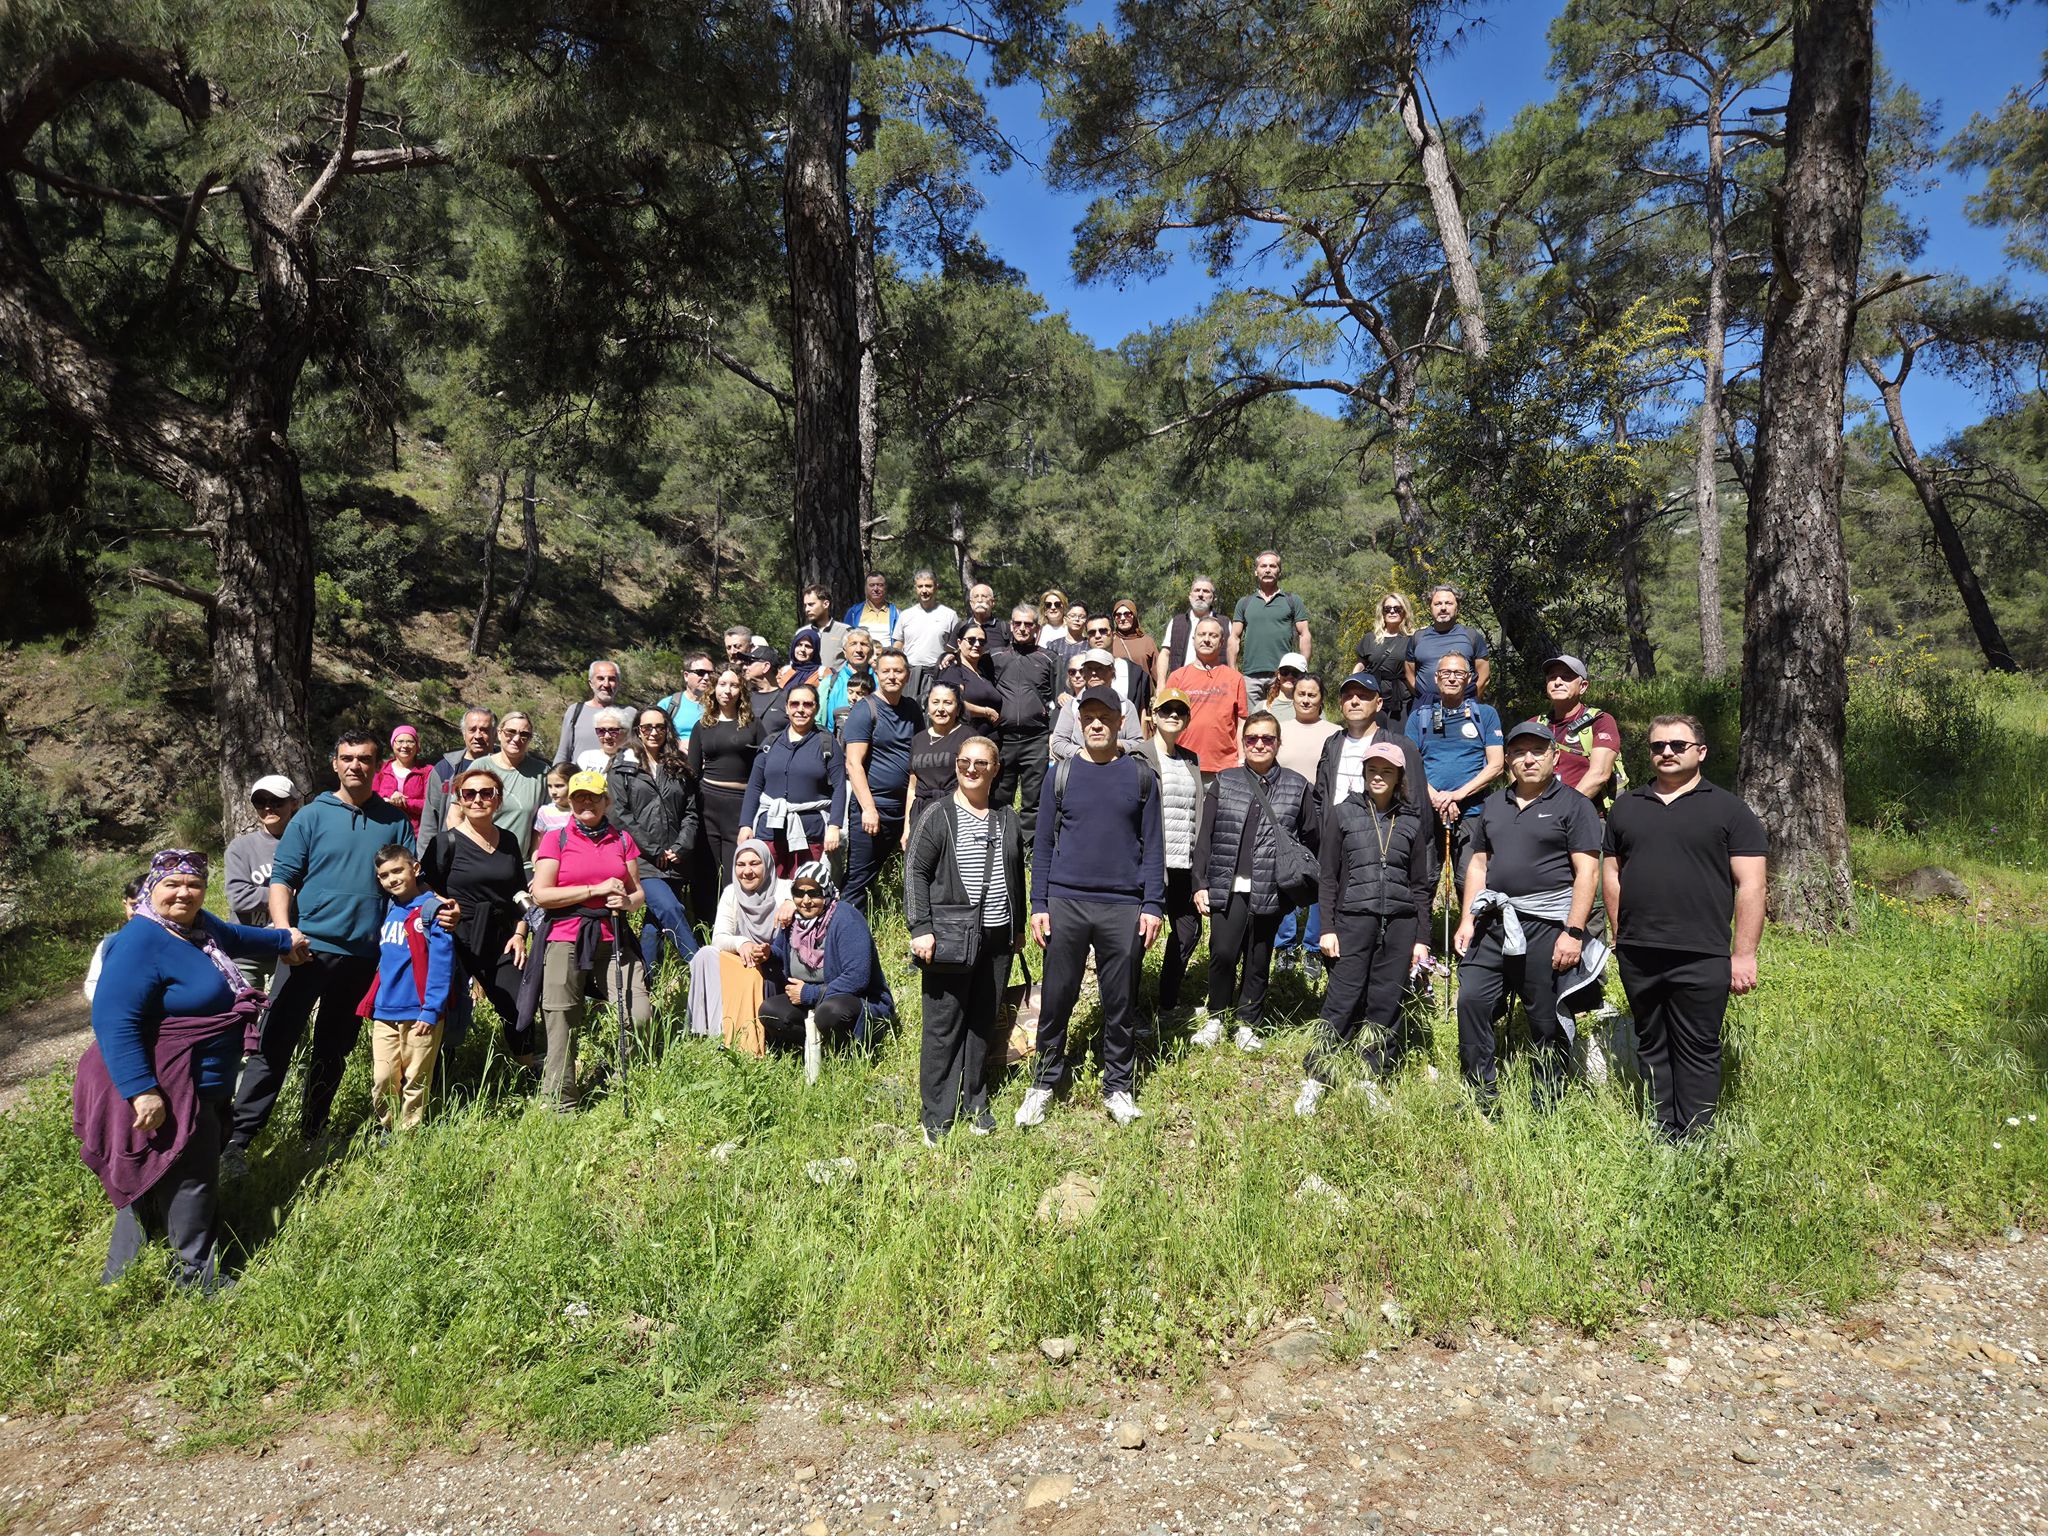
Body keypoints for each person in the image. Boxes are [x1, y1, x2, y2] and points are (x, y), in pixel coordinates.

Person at [76, 850, 307, 1291]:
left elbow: (238, 937)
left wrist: (285, 941)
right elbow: (113, 1019)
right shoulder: (140, 941)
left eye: (194, 884)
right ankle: (198, 1280)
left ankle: (121, 1273)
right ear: (151, 889)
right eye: (172, 884)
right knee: (193, 1179)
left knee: (154, 1172)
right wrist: (142, 1091)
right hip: (168, 1082)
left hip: (196, 1077)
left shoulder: (198, 928)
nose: (184, 892)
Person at [228, 733, 415, 1165]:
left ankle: (314, 1130)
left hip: (363, 956)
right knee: (273, 1044)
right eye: (347, 758)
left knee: (333, 1050)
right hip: (307, 950)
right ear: (334, 763)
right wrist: (284, 934)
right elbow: (282, 879)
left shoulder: (394, 821)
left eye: (364, 759)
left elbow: (404, 886)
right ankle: (237, 1142)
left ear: (377, 765)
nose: (355, 766)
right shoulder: (311, 816)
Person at [1603, 714, 1767, 1140]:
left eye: (1678, 745)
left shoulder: (1730, 810)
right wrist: (1620, 935)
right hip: (1639, 951)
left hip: (1702, 952)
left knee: (1697, 1046)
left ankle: (1695, 1139)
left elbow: (1752, 885)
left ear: (1701, 752)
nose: (1667, 752)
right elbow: (1612, 875)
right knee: (1651, 1040)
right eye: (1658, 746)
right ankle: (1662, 1132)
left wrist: (1744, 954)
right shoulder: (1627, 807)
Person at [1019, 686, 1166, 1130]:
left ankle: (1118, 1085)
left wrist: (1153, 904)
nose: (1097, 724)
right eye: (1089, 717)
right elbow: (1043, 846)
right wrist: (1039, 903)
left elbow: (1153, 846)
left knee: (1120, 1002)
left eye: (1105, 716)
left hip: (1123, 905)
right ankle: (1043, 1082)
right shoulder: (1060, 776)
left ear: (1121, 721)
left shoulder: (1141, 776)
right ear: (1079, 723)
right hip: (1066, 901)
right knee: (1057, 997)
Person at [1452, 721, 1604, 1112]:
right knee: (1472, 1000)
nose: (1529, 759)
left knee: (1545, 1014)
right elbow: (1478, 865)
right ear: (1508, 761)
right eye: (1519, 752)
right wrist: (1468, 920)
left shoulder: (1575, 805)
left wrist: (1573, 931)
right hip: (1493, 923)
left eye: (1537, 751)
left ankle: (1547, 1102)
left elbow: (1587, 872)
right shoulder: (1493, 805)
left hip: (1547, 925)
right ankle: (1481, 1095)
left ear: (1555, 756)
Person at [1295, 742, 1434, 1115]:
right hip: (1353, 920)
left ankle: (1369, 1077)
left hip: (1400, 924)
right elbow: (1328, 876)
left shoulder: (1412, 821)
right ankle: (1317, 1077)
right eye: (1373, 769)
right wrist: (1327, 927)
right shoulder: (1342, 814)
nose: (1378, 776)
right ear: (1364, 772)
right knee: (1342, 999)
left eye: (1387, 771)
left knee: (1385, 1003)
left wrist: (1422, 938)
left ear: (1399, 777)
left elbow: (1420, 886)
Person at [905, 734, 1025, 1142]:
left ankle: (976, 1101)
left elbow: (1015, 875)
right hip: (949, 940)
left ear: (995, 769)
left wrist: (1018, 928)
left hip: (996, 939)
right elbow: (915, 872)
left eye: (980, 763)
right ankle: (936, 1115)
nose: (971, 770)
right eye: (964, 762)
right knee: (943, 1028)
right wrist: (920, 928)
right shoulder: (937, 815)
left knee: (981, 1023)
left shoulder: (1006, 817)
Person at [1188, 709, 1315, 1052]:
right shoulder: (1225, 781)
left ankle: (1248, 1022)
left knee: (1258, 959)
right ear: (1243, 743)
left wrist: (1293, 882)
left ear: (1278, 743)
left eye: (1267, 738)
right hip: (1227, 885)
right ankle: (1216, 1017)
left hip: (1271, 888)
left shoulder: (1297, 786)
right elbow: (1205, 836)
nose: (1259, 744)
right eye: (1252, 738)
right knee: (1222, 953)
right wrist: (1200, 883)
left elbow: (1311, 838)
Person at [529, 770, 652, 1108]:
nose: (586, 802)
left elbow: (637, 892)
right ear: (569, 801)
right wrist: (594, 890)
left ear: (605, 801)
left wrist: (627, 902)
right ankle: (561, 1100)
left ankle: (615, 1077)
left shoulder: (622, 840)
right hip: (566, 935)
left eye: (593, 797)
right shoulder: (555, 839)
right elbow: (541, 894)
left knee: (638, 1013)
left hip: (612, 936)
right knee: (561, 1017)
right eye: (579, 797)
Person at [421, 765, 533, 1061]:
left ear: (498, 799)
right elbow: (422, 887)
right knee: (450, 1012)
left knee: (520, 1004)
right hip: (455, 938)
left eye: (486, 793)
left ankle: (527, 1068)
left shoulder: (508, 841)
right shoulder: (445, 842)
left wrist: (520, 934)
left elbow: (519, 892)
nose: (477, 799)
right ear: (459, 799)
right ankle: (441, 1075)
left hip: (501, 937)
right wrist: (442, 905)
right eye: (469, 794)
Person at [762, 860, 895, 1080]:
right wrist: (767, 953)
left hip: (852, 999)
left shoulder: (846, 919)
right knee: (769, 1010)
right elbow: (781, 952)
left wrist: (810, 994)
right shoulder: (794, 921)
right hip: (806, 1000)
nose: (805, 901)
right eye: (799, 893)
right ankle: (816, 1047)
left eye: (813, 893)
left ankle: (847, 1055)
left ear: (826, 892)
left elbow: (857, 977)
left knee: (830, 1012)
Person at [365, 845, 457, 1133]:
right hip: (385, 1010)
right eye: (384, 875)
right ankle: (387, 1127)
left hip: (421, 1012)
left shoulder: (433, 910)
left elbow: (442, 964)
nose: (392, 879)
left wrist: (432, 1009)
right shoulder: (389, 908)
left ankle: (409, 1133)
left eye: (397, 871)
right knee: (383, 1077)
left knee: (416, 1078)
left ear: (415, 869)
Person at [608, 709, 702, 971]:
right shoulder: (622, 767)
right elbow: (620, 815)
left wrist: (681, 846)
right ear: (637, 731)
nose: (653, 732)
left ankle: (649, 984)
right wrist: (654, 850)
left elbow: (691, 812)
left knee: (655, 924)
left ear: (667, 730)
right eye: (646, 727)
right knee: (671, 909)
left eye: (659, 727)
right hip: (641, 860)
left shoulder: (678, 766)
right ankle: (699, 965)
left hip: (674, 859)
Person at [1406, 655, 1503, 896]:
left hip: (1472, 812)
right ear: (1436, 678)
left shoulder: (1486, 715)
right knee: (1424, 880)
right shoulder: (1419, 717)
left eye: (1459, 673)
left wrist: (1456, 795)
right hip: (1429, 811)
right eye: (1446, 673)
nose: (1452, 678)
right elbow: (1409, 765)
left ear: (1469, 678)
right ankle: (1421, 924)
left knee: (1469, 880)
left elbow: (1496, 765)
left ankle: (1470, 922)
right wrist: (1437, 798)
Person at [841, 648, 925, 912]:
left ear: (907, 675)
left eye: (897, 671)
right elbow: (853, 763)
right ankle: (844, 927)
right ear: (876, 674)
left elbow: (918, 756)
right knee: (858, 878)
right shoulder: (865, 710)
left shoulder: (912, 709)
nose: (892, 676)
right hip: (873, 808)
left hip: (904, 808)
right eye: (886, 671)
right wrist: (868, 809)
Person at [684, 837, 788, 1045]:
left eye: (754, 863)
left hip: (775, 963)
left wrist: (791, 903)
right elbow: (719, 938)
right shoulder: (732, 893)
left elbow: (820, 889)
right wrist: (742, 943)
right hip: (743, 960)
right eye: (741, 864)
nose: (747, 871)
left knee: (752, 974)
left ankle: (745, 1038)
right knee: (705, 954)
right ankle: (712, 1032)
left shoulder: (785, 889)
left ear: (767, 864)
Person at [1141, 689, 1207, 1014]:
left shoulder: (1190, 759)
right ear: (1154, 715)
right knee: (1139, 937)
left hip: (1184, 863)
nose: (1173, 715)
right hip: (1151, 864)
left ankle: (1167, 1003)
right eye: (1166, 709)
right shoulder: (1138, 756)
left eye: (1180, 711)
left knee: (1188, 929)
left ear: (1187, 719)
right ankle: (1127, 1009)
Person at [739, 680, 845, 877]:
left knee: (806, 888)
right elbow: (754, 786)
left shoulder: (827, 744)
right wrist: (745, 824)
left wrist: (834, 826)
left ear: (816, 708)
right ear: (786, 708)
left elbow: (840, 787)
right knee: (768, 886)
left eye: (807, 704)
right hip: (770, 831)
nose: (800, 709)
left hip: (810, 833)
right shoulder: (771, 743)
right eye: (795, 704)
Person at [1274, 673, 1340, 973]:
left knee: (1320, 874)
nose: (1306, 699)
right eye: (1301, 693)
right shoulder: (1280, 730)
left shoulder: (1335, 733)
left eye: (1312, 694)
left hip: (1323, 812)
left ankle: (1313, 945)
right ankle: (1284, 945)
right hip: (1285, 810)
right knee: (1285, 873)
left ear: (1321, 698)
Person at [689, 665, 763, 904]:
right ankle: (705, 921)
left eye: (734, 685)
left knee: (737, 869)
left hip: (740, 805)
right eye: (722, 684)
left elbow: (763, 768)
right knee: (706, 869)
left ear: (742, 690)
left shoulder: (753, 725)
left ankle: (735, 918)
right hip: (708, 802)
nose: (727, 691)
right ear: (713, 688)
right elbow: (692, 771)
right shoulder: (702, 725)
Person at [224, 774, 300, 990]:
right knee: (244, 1008)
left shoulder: (307, 845)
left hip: (290, 948)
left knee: (285, 1010)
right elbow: (238, 898)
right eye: (260, 802)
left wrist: (262, 895)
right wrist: (286, 893)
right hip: (246, 949)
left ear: (294, 803)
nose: (268, 808)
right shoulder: (240, 848)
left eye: (277, 801)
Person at [991, 605, 1057, 850]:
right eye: (1017, 623)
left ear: (1037, 628)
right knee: (1000, 796)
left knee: (1034, 798)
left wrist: (1052, 732)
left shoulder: (1049, 658)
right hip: (1004, 738)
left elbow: (1059, 697)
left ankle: (1029, 850)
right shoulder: (995, 657)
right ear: (1011, 625)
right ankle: (1000, 846)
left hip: (1036, 739)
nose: (1022, 628)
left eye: (1028, 624)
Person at [1165, 616, 1248, 776]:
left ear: (1222, 642)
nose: (1207, 639)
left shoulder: (1235, 678)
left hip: (1225, 767)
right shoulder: (1177, 677)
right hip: (1184, 764)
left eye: (1213, 635)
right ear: (1194, 639)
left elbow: (1241, 723)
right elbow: (1166, 722)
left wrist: (1242, 759)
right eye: (1202, 634)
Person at [1540, 654, 1625, 810]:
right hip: (1539, 812)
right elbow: (1516, 768)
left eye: (1566, 677)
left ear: (1583, 686)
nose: (1557, 682)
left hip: (1588, 813)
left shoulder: (1601, 721)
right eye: (1552, 677)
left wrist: (1561, 811)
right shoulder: (1534, 724)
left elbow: (1599, 774)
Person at [1230, 551, 1312, 709]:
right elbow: (1234, 638)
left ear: (1279, 571)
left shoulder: (1292, 601)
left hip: (1283, 675)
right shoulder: (1244, 603)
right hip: (1250, 677)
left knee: (1281, 718)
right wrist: (1233, 672)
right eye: (1263, 566)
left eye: (1273, 566)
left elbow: (1304, 634)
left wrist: (1302, 669)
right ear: (1256, 571)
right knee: (1252, 720)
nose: (1268, 570)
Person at [418, 707, 499, 845]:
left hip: (495, 848)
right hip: (453, 849)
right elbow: (430, 821)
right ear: (463, 733)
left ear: (495, 734)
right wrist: (426, 855)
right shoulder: (444, 770)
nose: (478, 736)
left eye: (484, 730)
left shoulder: (506, 768)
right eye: (472, 730)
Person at [1049, 649, 1144, 761]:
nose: (1094, 673)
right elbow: (1058, 743)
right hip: (1080, 768)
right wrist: (1083, 754)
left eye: (1100, 668)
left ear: (1112, 672)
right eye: (1089, 668)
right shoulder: (1072, 706)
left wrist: (1111, 745)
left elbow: (1137, 743)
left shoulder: (1125, 706)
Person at [482, 711, 550, 865]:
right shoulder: (481, 767)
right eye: (510, 732)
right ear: (499, 733)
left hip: (522, 864)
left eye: (524, 734)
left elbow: (545, 822)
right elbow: (456, 815)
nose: (517, 738)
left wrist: (537, 861)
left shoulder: (542, 772)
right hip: (481, 860)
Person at [1406, 585, 1491, 706]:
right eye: (1437, 604)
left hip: (1464, 707)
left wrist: (1469, 701)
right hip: (1425, 707)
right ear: (1430, 607)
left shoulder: (1471, 636)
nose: (1443, 608)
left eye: (1449, 603)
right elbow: (1409, 674)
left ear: (1458, 607)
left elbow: (1484, 676)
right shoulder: (1417, 638)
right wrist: (1423, 697)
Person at [904, 680, 969, 836]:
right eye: (935, 702)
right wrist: (907, 828)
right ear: (928, 707)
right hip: (920, 815)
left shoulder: (968, 738)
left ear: (958, 709)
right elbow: (912, 788)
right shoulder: (918, 740)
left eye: (947, 703)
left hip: (956, 814)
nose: (940, 709)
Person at [554, 660, 633, 768]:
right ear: (591, 683)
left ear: (618, 683)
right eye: (600, 678)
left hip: (618, 777)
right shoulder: (575, 711)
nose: (606, 684)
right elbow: (563, 753)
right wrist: (555, 776)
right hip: (580, 777)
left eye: (611, 679)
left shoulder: (630, 713)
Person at [894, 569, 958, 701]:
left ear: (936, 587)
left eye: (928, 586)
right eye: (920, 586)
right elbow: (898, 644)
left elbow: (956, 647)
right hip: (910, 674)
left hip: (938, 673)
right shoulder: (905, 615)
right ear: (915, 588)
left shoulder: (949, 615)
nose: (924, 590)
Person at [1355, 592, 1416, 726]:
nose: (1392, 612)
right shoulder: (1370, 638)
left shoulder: (1412, 639)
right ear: (1382, 612)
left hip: (1402, 701)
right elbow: (1360, 666)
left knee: (1400, 737)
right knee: (1375, 737)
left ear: (1404, 611)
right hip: (1374, 698)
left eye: (1397, 608)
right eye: (1387, 609)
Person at [83, 878, 146, 1004]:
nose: (140, 911)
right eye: (134, 905)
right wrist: (111, 1006)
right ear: (125, 905)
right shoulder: (109, 944)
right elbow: (93, 983)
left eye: (146, 905)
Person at [934, 623, 1003, 737]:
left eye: (982, 641)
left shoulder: (985, 671)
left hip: (990, 740)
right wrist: (986, 712)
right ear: (959, 642)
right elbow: (953, 702)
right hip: (965, 740)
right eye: (971, 640)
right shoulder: (953, 669)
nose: (977, 644)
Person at [1080, 612, 1152, 715]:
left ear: (1113, 635)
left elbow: (1142, 710)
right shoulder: (1077, 671)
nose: (1097, 636)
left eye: (1103, 631)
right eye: (1092, 632)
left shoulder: (1133, 671)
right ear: (1088, 639)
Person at [1155, 575, 1219, 690]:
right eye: (1197, 590)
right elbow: (1165, 653)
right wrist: (1161, 684)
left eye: (1205, 591)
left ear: (1213, 598)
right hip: (1181, 687)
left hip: (1214, 688)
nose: (1200, 594)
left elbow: (1231, 655)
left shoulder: (1223, 623)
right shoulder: (1177, 622)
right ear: (1190, 596)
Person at [371, 726, 429, 837]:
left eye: (410, 742)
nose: (405, 745)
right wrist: (387, 799)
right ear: (393, 744)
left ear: (417, 746)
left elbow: (430, 804)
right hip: (383, 830)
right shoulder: (381, 769)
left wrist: (404, 802)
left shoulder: (427, 771)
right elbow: (371, 796)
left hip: (415, 834)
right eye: (400, 741)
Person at [820, 627, 876, 730]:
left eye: (864, 644)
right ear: (844, 652)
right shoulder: (829, 683)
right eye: (853, 644)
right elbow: (818, 722)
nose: (858, 650)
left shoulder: (880, 682)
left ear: (871, 651)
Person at [656, 654, 716, 738]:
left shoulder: (719, 705)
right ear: (686, 676)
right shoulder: (668, 705)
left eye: (710, 673)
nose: (706, 677)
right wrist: (678, 743)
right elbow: (655, 735)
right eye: (700, 672)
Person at [803, 584, 851, 672]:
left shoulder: (845, 631)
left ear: (825, 604)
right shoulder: (803, 633)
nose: (807, 609)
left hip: (836, 680)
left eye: (811, 604)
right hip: (807, 680)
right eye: (805, 605)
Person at [1108, 599, 1157, 681]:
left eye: (1127, 614)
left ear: (1134, 615)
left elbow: (1157, 674)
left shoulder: (1147, 642)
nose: (1122, 618)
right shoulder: (1110, 641)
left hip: (1143, 688)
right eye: (1118, 615)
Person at [845, 572, 899, 644]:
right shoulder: (853, 613)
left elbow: (900, 640)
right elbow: (846, 638)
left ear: (885, 588)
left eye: (880, 585)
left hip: (888, 651)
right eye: (872, 585)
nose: (876, 589)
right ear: (865, 588)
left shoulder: (896, 613)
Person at [961, 582, 1012, 655]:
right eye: (976, 596)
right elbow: (952, 653)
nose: (980, 600)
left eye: (984, 596)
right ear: (971, 603)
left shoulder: (1005, 628)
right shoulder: (961, 627)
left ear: (992, 602)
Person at [536, 764, 574, 837]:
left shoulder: (581, 813)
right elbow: (538, 842)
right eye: (549, 786)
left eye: (559, 786)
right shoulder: (545, 812)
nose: (553, 792)